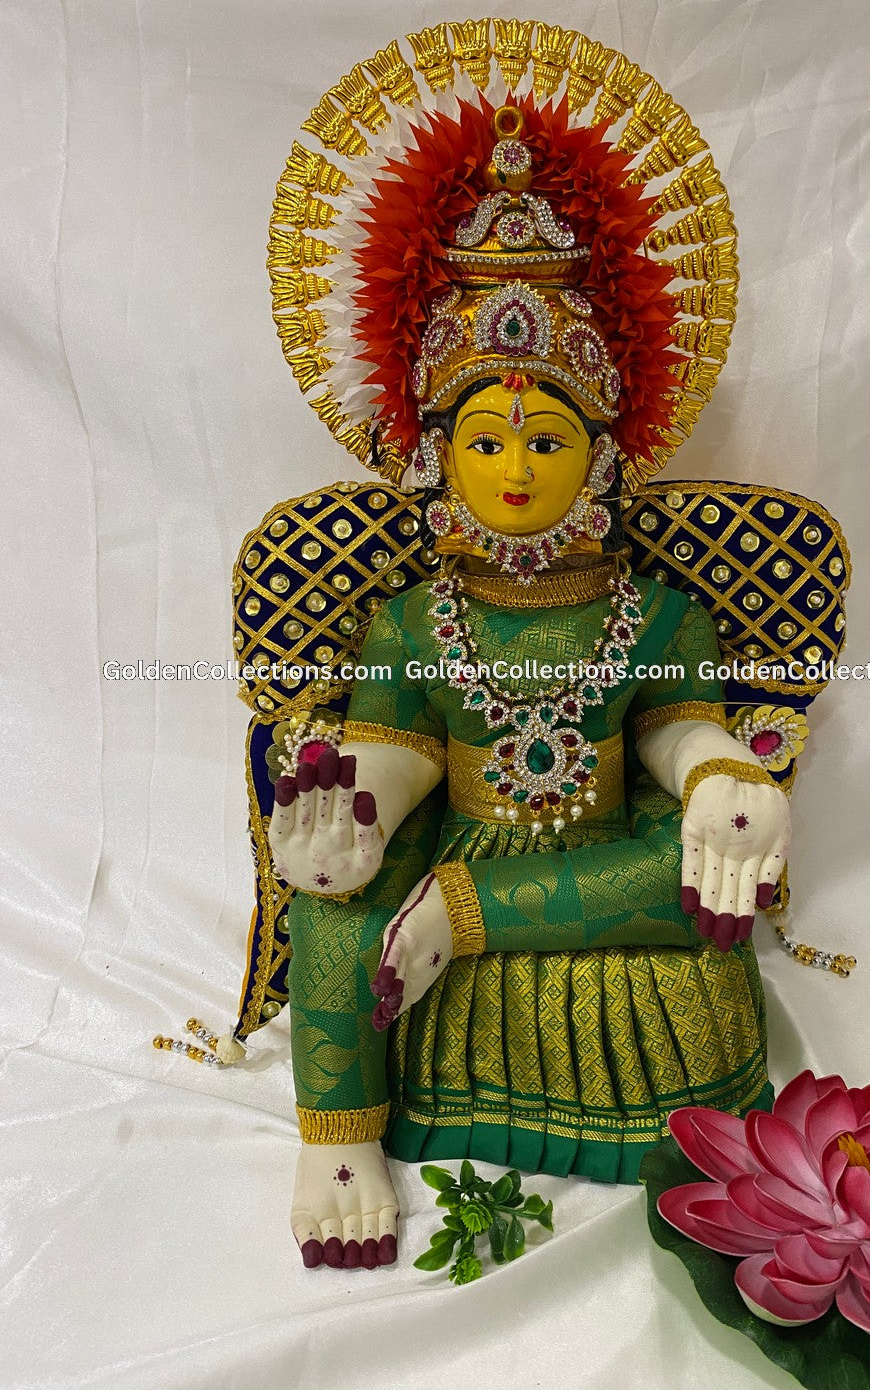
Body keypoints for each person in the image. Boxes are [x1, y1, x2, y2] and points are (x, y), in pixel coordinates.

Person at [262, 89, 789, 1271]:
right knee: (335, 904)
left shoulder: (659, 614)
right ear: (437, 458)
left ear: (601, 459)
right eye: (486, 442)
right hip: (456, 840)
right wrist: (356, 811)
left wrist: (721, 777)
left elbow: (674, 733)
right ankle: (338, 1139)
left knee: (713, 881)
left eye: (545, 442)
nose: (513, 470)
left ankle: (468, 921)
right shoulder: (412, 620)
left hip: (605, 860)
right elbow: (397, 753)